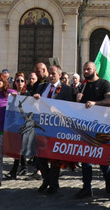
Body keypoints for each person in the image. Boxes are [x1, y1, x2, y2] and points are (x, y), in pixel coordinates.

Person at [73, 61, 110, 199]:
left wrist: (95, 104)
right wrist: (77, 100)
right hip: (86, 127)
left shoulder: (104, 83)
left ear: (95, 70)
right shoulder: (82, 86)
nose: (85, 71)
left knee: (103, 158)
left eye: (88, 69)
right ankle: (87, 187)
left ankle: (109, 183)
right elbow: (75, 107)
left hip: (101, 126)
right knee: (86, 159)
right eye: (84, 69)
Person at [32, 64, 75, 193]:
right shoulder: (41, 87)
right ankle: (46, 179)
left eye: (53, 74)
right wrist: (34, 99)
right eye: (49, 73)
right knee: (40, 156)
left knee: (55, 157)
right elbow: (30, 103)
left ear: (60, 75)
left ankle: (53, 184)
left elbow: (71, 109)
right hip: (41, 128)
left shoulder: (67, 90)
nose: (50, 76)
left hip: (57, 129)